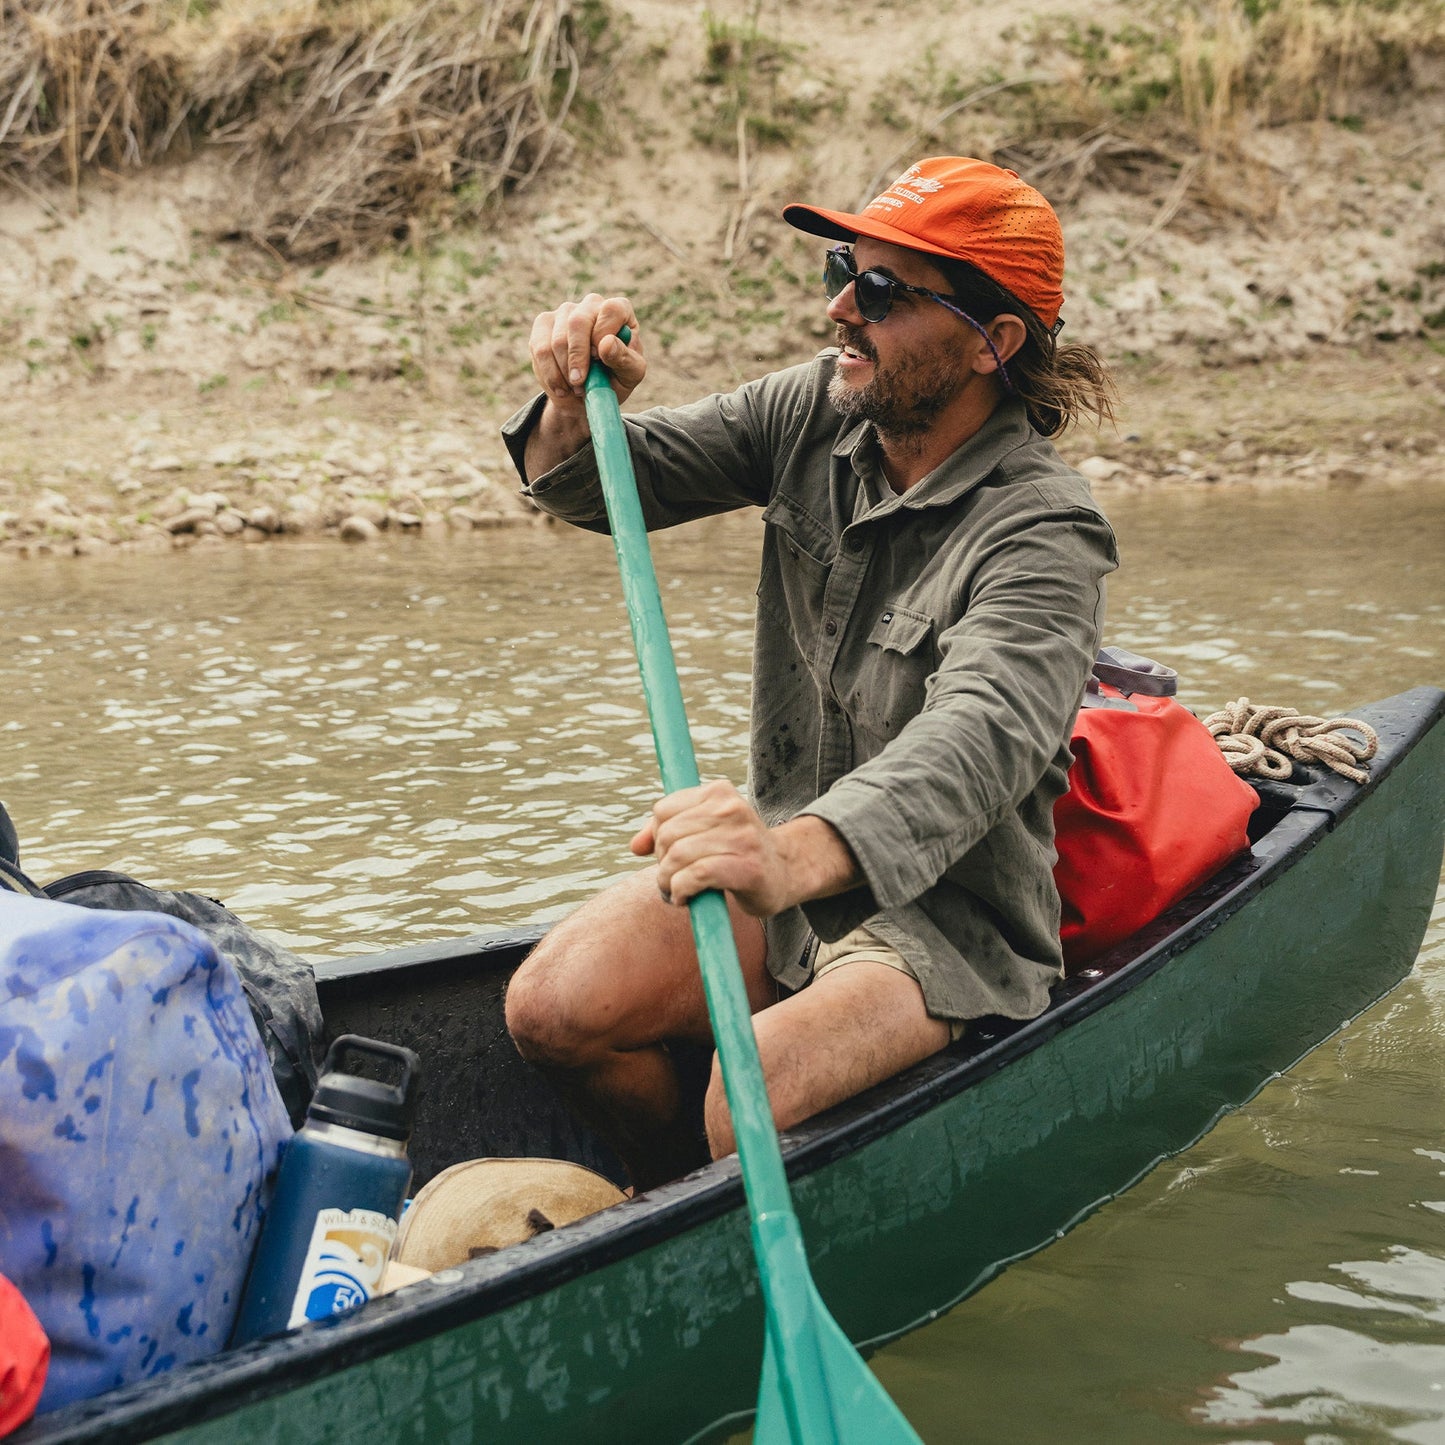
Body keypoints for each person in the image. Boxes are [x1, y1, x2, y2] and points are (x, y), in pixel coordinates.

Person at [500, 156, 1119, 1192]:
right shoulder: (818, 409)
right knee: (551, 1007)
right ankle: (669, 1211)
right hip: (778, 875)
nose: (839, 307)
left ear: (990, 342)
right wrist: (572, 399)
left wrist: (791, 855)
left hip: (941, 927)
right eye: (843, 267)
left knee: (743, 1104)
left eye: (879, 290)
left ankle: (715, 1191)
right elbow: (602, 486)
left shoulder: (1045, 530)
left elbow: (974, 742)